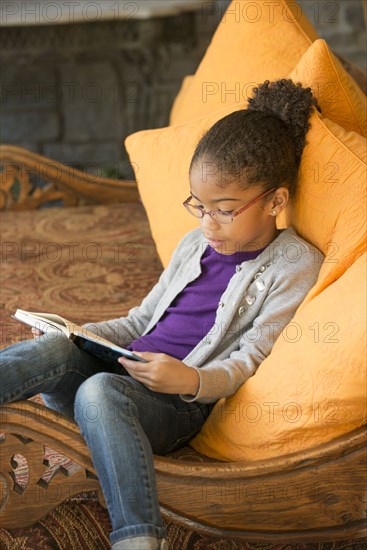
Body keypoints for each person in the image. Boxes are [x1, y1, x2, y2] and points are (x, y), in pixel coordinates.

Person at [0, 80, 323, 550]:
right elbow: (140, 320)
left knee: (100, 389)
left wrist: (189, 380)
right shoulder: (196, 243)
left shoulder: (293, 265)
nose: (207, 222)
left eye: (224, 210)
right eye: (199, 206)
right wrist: (82, 334)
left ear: (275, 201)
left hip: (172, 406)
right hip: (123, 367)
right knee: (55, 349)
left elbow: (251, 359)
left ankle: (138, 538)